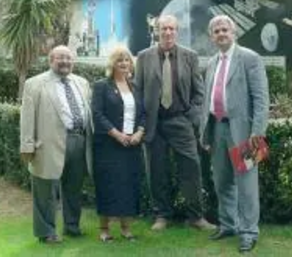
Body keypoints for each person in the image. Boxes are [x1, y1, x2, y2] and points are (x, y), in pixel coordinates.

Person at [135, 14, 215, 231]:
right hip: (154, 124)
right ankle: (162, 215)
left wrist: (191, 118)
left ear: (177, 31)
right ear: (157, 31)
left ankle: (196, 217)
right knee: (157, 171)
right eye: (163, 29)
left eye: (172, 29)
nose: (168, 32)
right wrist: (141, 123)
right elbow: (138, 92)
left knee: (191, 168)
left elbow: (199, 92)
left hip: (181, 121)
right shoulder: (143, 57)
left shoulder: (190, 56)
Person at [200, 15, 269, 253]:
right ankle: (228, 225)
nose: (221, 34)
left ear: (234, 32)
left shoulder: (250, 58)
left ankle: (249, 232)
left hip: (244, 132)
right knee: (221, 181)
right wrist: (205, 133)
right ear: (212, 36)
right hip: (217, 128)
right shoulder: (211, 63)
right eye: (216, 31)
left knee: (247, 184)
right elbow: (207, 100)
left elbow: (261, 99)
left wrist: (257, 133)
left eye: (224, 30)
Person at [20, 45, 92, 244]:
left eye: (69, 58)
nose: (65, 62)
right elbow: (27, 118)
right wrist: (27, 146)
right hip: (47, 145)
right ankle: (46, 232)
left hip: (79, 141)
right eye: (60, 58)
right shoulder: (34, 84)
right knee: (45, 190)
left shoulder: (82, 83)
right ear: (51, 60)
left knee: (74, 189)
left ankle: (72, 226)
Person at [92, 45, 146, 242]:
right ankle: (104, 229)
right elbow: (97, 114)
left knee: (128, 185)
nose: (124, 64)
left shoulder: (136, 87)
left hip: (132, 144)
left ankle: (125, 228)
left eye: (127, 60)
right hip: (108, 145)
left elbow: (143, 113)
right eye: (119, 60)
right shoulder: (101, 86)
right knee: (107, 184)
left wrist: (140, 132)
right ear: (112, 64)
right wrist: (116, 134)